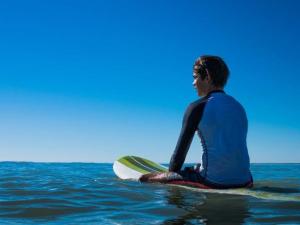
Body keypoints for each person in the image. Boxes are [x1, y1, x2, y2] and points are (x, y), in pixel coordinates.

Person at [140, 55, 253, 189]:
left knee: (145, 179)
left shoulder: (197, 107)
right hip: (246, 180)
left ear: (207, 76)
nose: (193, 83)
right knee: (196, 167)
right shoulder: (239, 107)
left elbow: (179, 154)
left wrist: (169, 175)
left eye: (195, 77)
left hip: (213, 182)